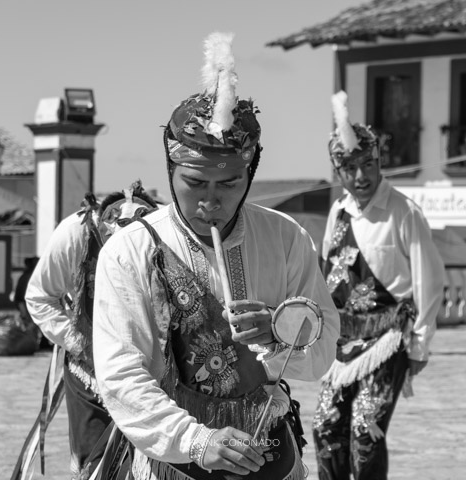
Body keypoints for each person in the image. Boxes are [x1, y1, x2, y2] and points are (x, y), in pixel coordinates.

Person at [92, 32, 339, 480]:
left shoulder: (285, 237)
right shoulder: (130, 253)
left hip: (271, 450)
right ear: (170, 171)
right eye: (194, 183)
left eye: (227, 184)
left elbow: (323, 348)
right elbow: (122, 375)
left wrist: (280, 334)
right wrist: (197, 441)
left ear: (251, 172)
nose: (210, 201)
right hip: (179, 461)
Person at [312, 91, 445, 480]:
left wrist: (420, 342)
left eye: (368, 165)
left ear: (379, 162)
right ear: (338, 172)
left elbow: (429, 280)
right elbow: (326, 272)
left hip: (389, 338)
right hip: (341, 341)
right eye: (349, 168)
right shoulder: (337, 212)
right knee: (325, 428)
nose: (360, 176)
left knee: (364, 430)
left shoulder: (404, 212)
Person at [19, 182, 160, 480]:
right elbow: (39, 296)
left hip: (152, 370)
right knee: (95, 466)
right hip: (90, 372)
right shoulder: (75, 233)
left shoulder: (166, 232)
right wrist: (78, 342)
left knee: (151, 461)